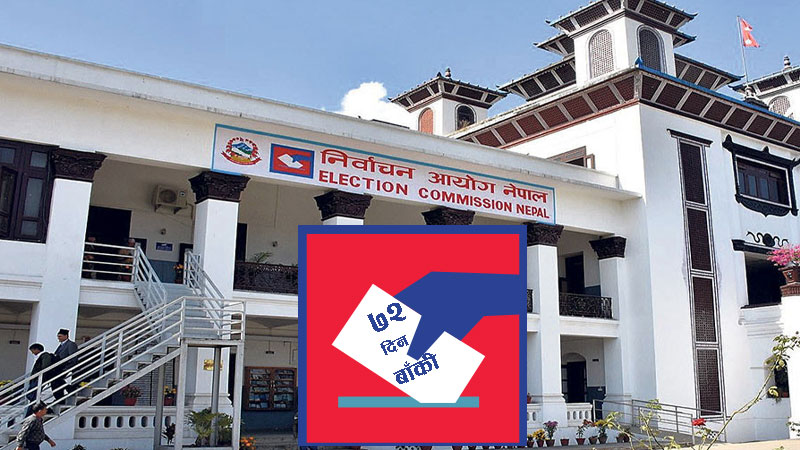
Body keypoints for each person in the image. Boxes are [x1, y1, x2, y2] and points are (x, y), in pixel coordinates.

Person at [25, 345, 57, 415]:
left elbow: (45, 366)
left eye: (33, 350)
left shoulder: (45, 355)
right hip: (37, 379)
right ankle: (42, 409)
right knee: (32, 396)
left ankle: (44, 409)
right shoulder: (41, 356)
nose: (32, 353)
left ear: (37, 349)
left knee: (31, 396)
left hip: (39, 379)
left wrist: (39, 375)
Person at [52, 329, 78, 401]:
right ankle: (60, 396)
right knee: (55, 381)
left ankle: (64, 392)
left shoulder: (71, 344)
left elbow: (73, 357)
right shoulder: (61, 345)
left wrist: (67, 368)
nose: (58, 338)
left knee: (57, 380)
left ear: (65, 336)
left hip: (64, 366)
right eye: (58, 336)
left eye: (60, 336)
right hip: (58, 367)